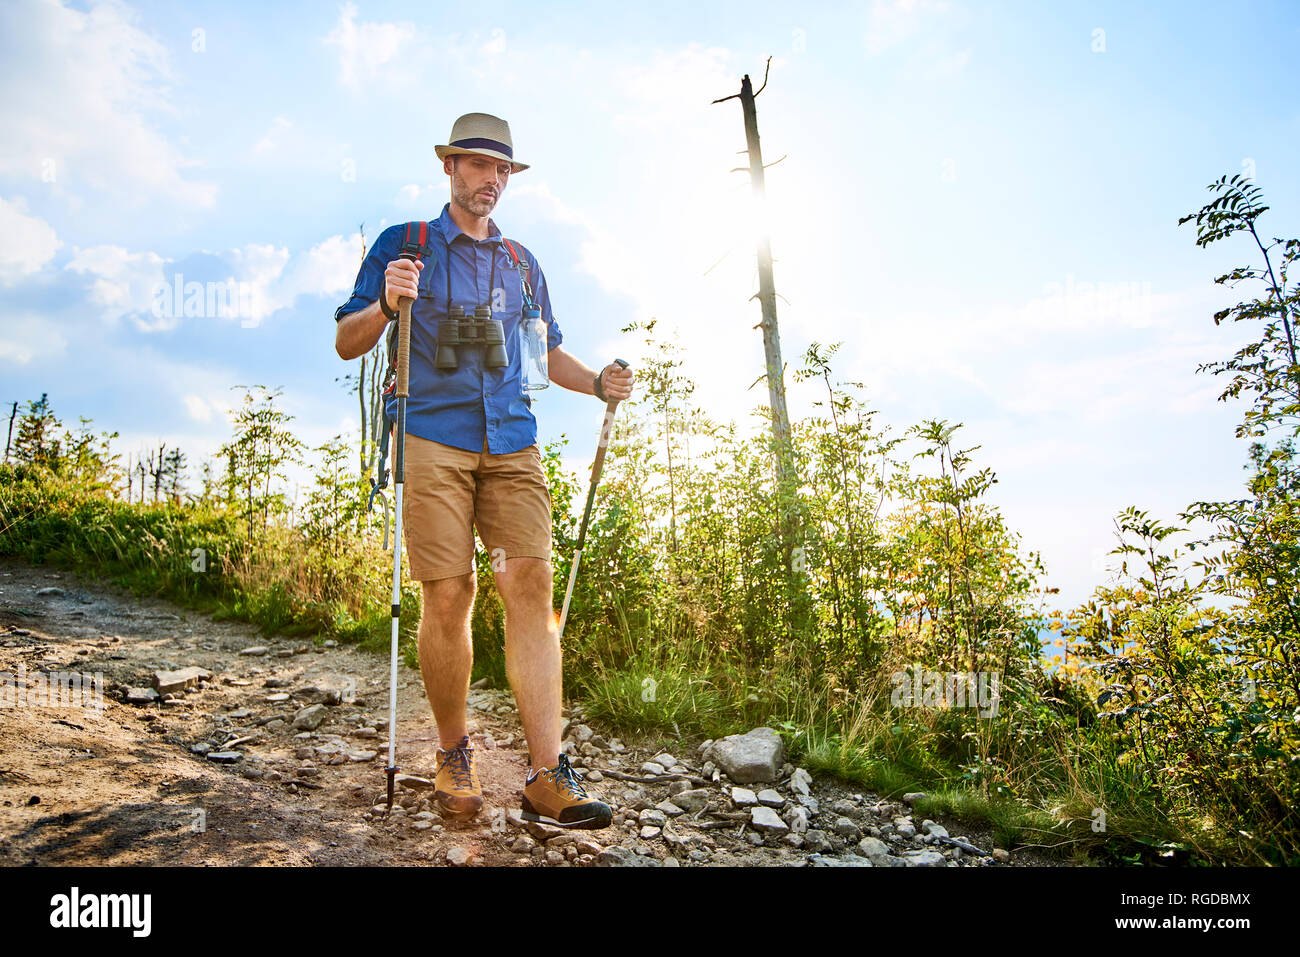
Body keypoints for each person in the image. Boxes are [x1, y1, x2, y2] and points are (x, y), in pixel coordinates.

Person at [334, 112, 633, 829]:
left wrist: (596, 382)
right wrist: (386, 301)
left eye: (502, 170)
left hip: (513, 445)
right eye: (477, 166)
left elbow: (544, 354)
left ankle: (545, 775)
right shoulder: (404, 245)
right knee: (450, 593)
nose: (491, 180)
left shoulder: (522, 265)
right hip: (432, 438)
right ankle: (451, 752)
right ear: (449, 168)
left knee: (529, 582)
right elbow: (349, 340)